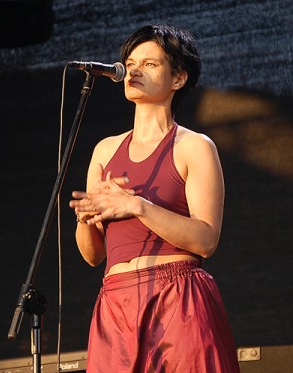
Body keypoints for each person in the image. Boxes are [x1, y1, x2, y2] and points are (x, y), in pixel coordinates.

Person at [69, 24, 240, 373]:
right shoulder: (105, 150)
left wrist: (137, 206)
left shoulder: (194, 146)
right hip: (115, 300)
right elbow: (92, 255)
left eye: (149, 64)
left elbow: (206, 240)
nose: (133, 71)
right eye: (130, 63)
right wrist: (87, 219)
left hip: (178, 296)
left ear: (177, 78)